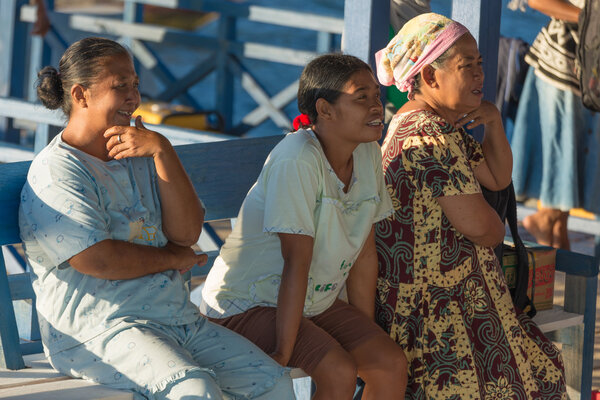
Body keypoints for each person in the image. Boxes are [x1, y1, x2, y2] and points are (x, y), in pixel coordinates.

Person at [18, 37, 295, 400]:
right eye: (120, 87)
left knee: (274, 382)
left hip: (177, 320)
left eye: (136, 84)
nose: (134, 97)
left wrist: (163, 150)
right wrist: (172, 259)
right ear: (80, 95)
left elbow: (186, 232)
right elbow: (95, 257)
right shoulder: (57, 171)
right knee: (194, 391)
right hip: (97, 331)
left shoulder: (142, 150)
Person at [374, 13, 566, 399]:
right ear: (430, 78)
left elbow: (497, 177)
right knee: (525, 382)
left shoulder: (430, 123)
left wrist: (493, 121)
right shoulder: (429, 137)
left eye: (480, 64)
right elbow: (487, 229)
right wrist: (488, 219)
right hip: (433, 309)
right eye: (467, 67)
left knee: (539, 373)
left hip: (453, 294)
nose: (480, 74)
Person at [199, 53, 408, 400]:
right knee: (338, 371)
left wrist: (365, 331)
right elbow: (297, 261)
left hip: (314, 301)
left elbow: (364, 255)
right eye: (361, 97)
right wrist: (283, 351)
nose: (377, 106)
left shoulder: (367, 151)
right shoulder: (297, 158)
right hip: (249, 303)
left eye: (376, 95)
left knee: (389, 363)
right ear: (325, 110)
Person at [510, 0, 600, 250]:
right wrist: (588, 18)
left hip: (588, 73)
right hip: (562, 67)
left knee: (561, 217)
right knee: (561, 159)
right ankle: (543, 221)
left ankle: (551, 234)